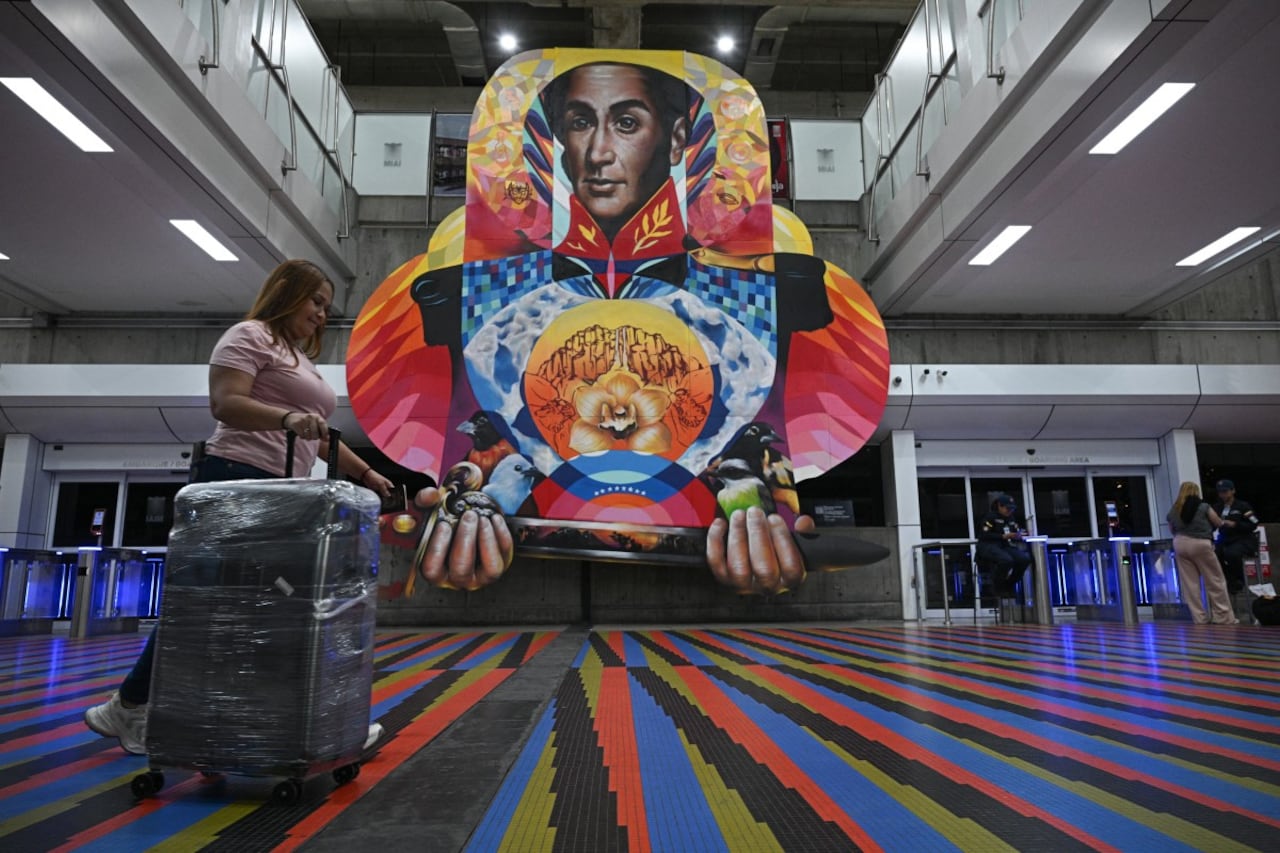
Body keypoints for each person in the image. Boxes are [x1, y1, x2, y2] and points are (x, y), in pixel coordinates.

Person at [405, 61, 831, 596]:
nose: (599, 153)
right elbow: (471, 436)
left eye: (627, 123)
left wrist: (773, 512)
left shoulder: (754, 286)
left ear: (677, 138)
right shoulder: (481, 284)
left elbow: (771, 430)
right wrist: (464, 506)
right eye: (580, 122)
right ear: (554, 138)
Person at [84, 259, 395, 754]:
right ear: (287, 294)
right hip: (237, 482)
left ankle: (292, 721)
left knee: (274, 608)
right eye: (315, 301)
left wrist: (367, 473)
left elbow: (314, 431)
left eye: (325, 306)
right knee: (213, 606)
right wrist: (287, 416)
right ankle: (132, 706)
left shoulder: (294, 355)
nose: (321, 314)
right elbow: (226, 403)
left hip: (281, 496)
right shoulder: (248, 336)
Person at [1167, 481, 1237, 625]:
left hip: (1180, 543)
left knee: (1190, 584)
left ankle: (1199, 618)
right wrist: (1227, 523)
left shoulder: (1174, 509)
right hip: (1201, 544)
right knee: (1215, 580)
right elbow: (1217, 522)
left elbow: (1172, 529)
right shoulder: (1203, 506)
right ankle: (1223, 617)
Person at [975, 494, 1031, 596]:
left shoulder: (1011, 518)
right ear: (999, 506)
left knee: (1024, 559)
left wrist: (1020, 534)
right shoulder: (990, 517)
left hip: (1005, 546)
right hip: (989, 546)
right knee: (1006, 560)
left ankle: (1009, 584)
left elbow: (1016, 529)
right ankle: (997, 586)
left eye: (1012, 509)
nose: (1009, 511)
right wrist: (1002, 536)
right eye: (1007, 508)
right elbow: (984, 534)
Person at [1212, 479, 1260, 594]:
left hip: (1243, 539)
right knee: (1212, 554)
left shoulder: (1243, 506)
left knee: (1232, 553)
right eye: (1220, 492)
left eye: (1225, 491)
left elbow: (1254, 522)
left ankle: (1238, 579)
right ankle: (1228, 579)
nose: (1223, 495)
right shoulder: (1217, 508)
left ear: (1233, 491)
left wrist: (1236, 525)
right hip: (1225, 539)